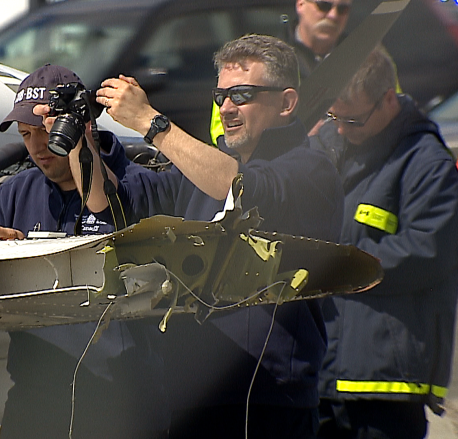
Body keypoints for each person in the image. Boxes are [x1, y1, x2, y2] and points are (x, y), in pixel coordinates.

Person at [41, 34, 344, 438]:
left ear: (287, 102)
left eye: (242, 94)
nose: (228, 108)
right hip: (191, 394)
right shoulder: (203, 169)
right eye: (221, 97)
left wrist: (152, 123)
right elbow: (108, 203)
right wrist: (81, 138)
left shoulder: (310, 168)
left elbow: (240, 187)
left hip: (268, 396)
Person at [0, 64, 167, 439]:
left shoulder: (134, 186)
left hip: (120, 399)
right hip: (35, 396)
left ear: (79, 125)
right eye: (26, 135)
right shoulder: (15, 192)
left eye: (45, 132)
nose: (35, 147)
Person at [310, 48, 458, 439]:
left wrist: (339, 264)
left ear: (389, 99)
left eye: (352, 119)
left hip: (386, 384)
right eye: (333, 116)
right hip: (322, 372)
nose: (340, 128)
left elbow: (429, 250)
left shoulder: (427, 163)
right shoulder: (330, 144)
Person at [210, 0, 353, 143]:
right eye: (324, 6)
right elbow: (223, 128)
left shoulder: (362, 54)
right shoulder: (264, 56)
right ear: (301, 4)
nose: (333, 15)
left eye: (343, 9)